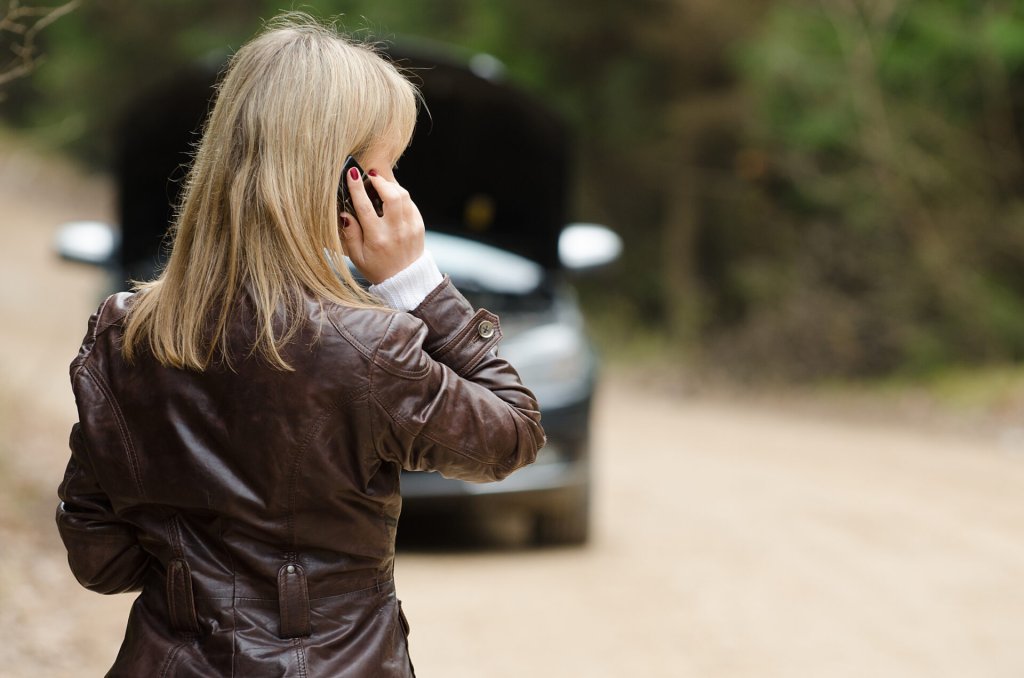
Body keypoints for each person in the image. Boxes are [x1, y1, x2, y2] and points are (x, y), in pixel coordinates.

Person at [55, 14, 545, 678]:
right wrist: (417, 284)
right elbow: (512, 435)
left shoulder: (122, 333)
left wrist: (194, 577)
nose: (394, 193)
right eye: (383, 171)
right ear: (342, 183)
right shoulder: (369, 346)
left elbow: (100, 558)